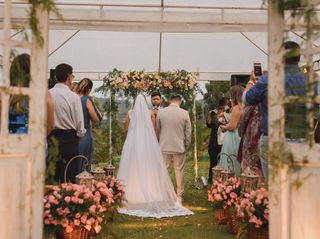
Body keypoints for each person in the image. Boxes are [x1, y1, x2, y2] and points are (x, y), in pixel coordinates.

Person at [117, 94, 193, 218]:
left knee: (133, 167)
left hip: (134, 143)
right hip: (152, 143)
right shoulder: (151, 113)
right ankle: (171, 194)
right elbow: (154, 131)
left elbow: (126, 130)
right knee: (153, 168)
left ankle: (131, 195)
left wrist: (128, 141)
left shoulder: (130, 113)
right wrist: (154, 143)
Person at [244, 41, 307, 183]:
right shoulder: (309, 81)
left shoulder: (267, 80)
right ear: (298, 57)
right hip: (301, 139)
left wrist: (251, 82)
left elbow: (247, 99)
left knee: (274, 186)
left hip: (272, 138)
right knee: (297, 184)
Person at [48, 63, 86, 183]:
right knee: (68, 176)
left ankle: (50, 200)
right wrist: (78, 137)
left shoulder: (47, 94)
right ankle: (67, 200)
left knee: (52, 175)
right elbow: (80, 123)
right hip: (69, 138)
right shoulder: (73, 97)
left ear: (55, 77)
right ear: (69, 77)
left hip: (51, 136)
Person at [157, 94, 192, 203]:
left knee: (164, 170)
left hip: (163, 146)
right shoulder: (185, 113)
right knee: (179, 170)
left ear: (169, 101)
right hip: (179, 146)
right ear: (180, 102)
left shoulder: (161, 112)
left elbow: (158, 130)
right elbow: (188, 132)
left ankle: (163, 193)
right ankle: (179, 195)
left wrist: (159, 143)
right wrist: (186, 145)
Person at [238, 73, 262, 181]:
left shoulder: (250, 106)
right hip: (265, 134)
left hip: (251, 137)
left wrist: (250, 81)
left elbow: (242, 119)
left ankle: (250, 193)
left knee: (250, 167)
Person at [75, 78, 102, 172]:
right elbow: (97, 118)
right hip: (85, 135)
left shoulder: (73, 98)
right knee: (84, 164)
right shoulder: (86, 100)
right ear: (89, 90)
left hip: (72, 135)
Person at [219, 85, 244, 176]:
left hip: (233, 137)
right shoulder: (244, 107)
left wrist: (224, 127)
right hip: (240, 135)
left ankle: (230, 182)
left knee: (230, 159)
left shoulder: (236, 108)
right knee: (238, 160)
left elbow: (233, 126)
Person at [206, 97, 229, 183]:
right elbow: (208, 124)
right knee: (213, 161)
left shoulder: (228, 113)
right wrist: (209, 115)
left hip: (224, 141)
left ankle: (222, 179)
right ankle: (211, 179)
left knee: (223, 161)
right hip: (214, 142)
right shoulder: (213, 113)